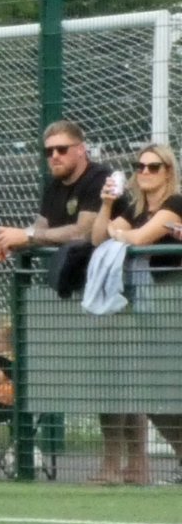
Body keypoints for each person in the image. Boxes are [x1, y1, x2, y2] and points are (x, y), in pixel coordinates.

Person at [87, 142, 182, 483]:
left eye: (152, 167)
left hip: (172, 307)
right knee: (150, 392)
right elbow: (99, 237)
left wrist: (120, 235)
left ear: (167, 171)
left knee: (166, 391)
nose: (144, 172)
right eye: (139, 166)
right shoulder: (135, 205)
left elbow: (140, 239)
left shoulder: (175, 204)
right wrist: (108, 204)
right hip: (144, 310)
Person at [0, 119, 111, 263]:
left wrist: (27, 235)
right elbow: (40, 228)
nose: (54, 156)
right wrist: (8, 240)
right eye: (49, 151)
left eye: (62, 149)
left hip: (109, 270)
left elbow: (83, 233)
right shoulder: (54, 185)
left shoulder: (100, 177)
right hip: (70, 273)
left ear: (81, 149)